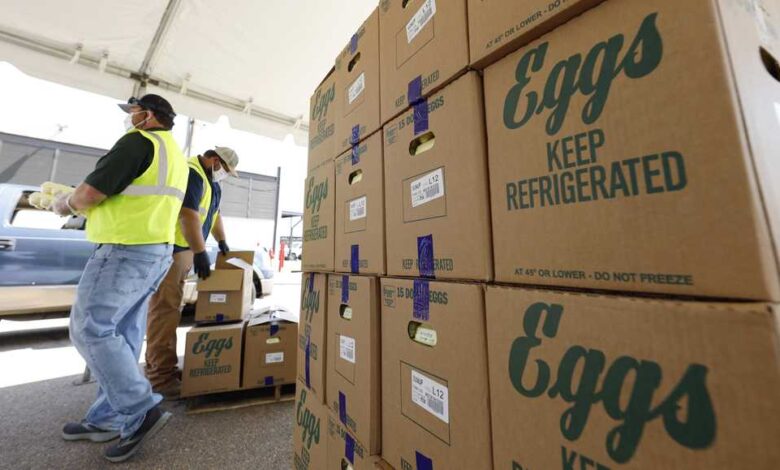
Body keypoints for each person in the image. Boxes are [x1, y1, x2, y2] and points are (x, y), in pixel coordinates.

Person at [54, 94, 188, 463]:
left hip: (124, 250)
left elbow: (90, 193)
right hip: (154, 252)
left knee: (90, 330)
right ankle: (108, 417)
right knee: (123, 333)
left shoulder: (138, 142)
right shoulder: (174, 154)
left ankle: (139, 409)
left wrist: (65, 203)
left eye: (133, 112)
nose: (130, 118)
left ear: (149, 115)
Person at [145, 146, 240, 399]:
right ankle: (159, 378)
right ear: (214, 160)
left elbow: (214, 215)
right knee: (164, 312)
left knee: (171, 311)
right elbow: (188, 215)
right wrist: (200, 251)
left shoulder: (212, 183)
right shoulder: (192, 173)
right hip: (173, 250)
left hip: (184, 252)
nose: (225, 175)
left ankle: (164, 368)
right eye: (225, 170)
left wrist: (222, 241)